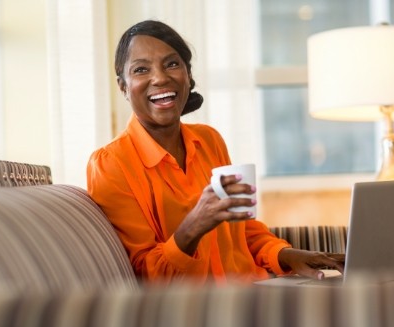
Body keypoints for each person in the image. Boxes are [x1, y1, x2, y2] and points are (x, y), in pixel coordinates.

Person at [87, 20, 344, 285]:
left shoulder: (209, 140)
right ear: (123, 86)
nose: (160, 77)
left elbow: (243, 230)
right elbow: (147, 275)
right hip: (197, 311)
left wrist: (287, 255)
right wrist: (194, 226)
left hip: (255, 293)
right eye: (141, 69)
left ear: (188, 75)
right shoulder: (112, 164)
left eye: (172, 64)